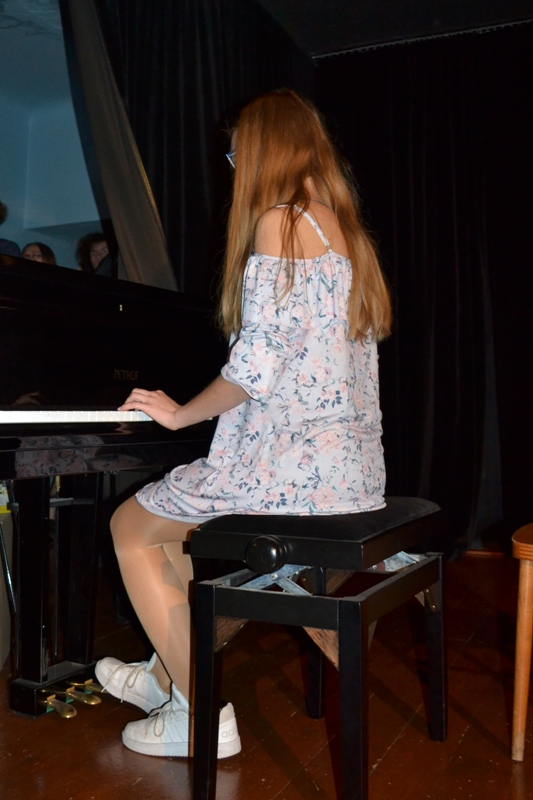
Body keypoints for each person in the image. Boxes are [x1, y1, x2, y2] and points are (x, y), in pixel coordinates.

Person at [95, 89, 392, 759]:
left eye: (235, 155)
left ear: (262, 152)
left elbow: (254, 367)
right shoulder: (343, 232)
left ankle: (201, 715)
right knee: (169, 525)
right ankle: (166, 678)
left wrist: (178, 413)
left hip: (288, 471)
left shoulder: (281, 221)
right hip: (350, 473)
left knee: (131, 527)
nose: (232, 169)